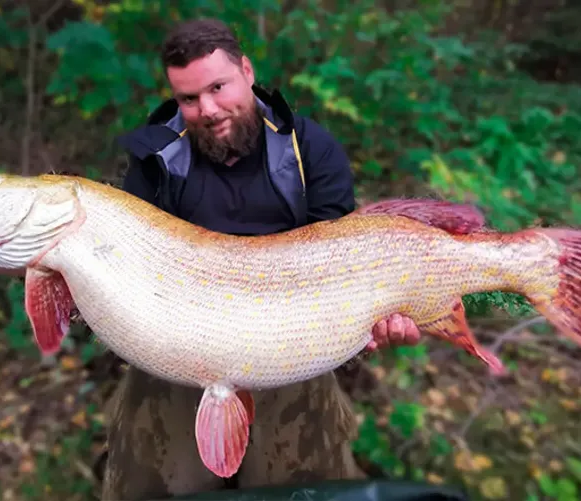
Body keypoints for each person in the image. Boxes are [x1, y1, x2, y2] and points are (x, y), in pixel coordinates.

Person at [102, 18, 423, 500]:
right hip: (180, 350)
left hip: (291, 348)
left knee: (304, 490)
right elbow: (133, 270)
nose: (208, 110)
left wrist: (373, 320)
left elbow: (340, 263)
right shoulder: (155, 157)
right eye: (189, 98)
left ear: (247, 72)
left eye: (218, 87)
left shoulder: (311, 149)